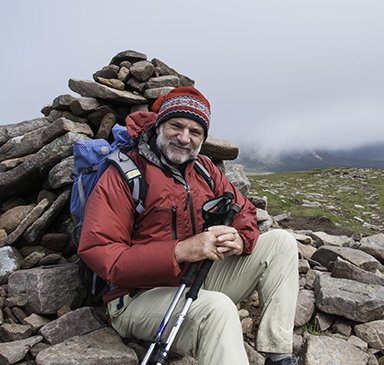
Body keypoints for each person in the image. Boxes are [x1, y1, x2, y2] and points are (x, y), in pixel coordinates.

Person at [77, 86, 299, 365]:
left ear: (203, 138)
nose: (184, 138)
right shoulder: (124, 174)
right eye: (176, 126)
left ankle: (279, 355)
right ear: (159, 126)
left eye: (195, 132)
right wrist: (180, 251)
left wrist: (241, 239)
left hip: (195, 280)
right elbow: (102, 252)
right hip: (136, 297)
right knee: (218, 310)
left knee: (281, 242)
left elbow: (243, 209)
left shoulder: (204, 169)